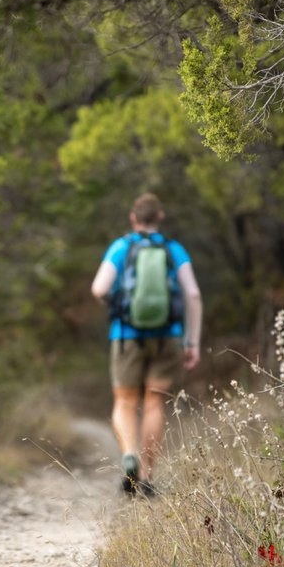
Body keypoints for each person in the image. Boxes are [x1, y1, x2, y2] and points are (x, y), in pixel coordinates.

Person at [91, 193, 202, 496]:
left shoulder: (121, 247)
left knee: (125, 402)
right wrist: (192, 341)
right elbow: (192, 295)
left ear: (133, 217)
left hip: (126, 335)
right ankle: (147, 474)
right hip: (168, 336)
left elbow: (99, 287)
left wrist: (117, 305)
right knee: (155, 403)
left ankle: (129, 455)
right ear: (160, 216)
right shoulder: (173, 249)